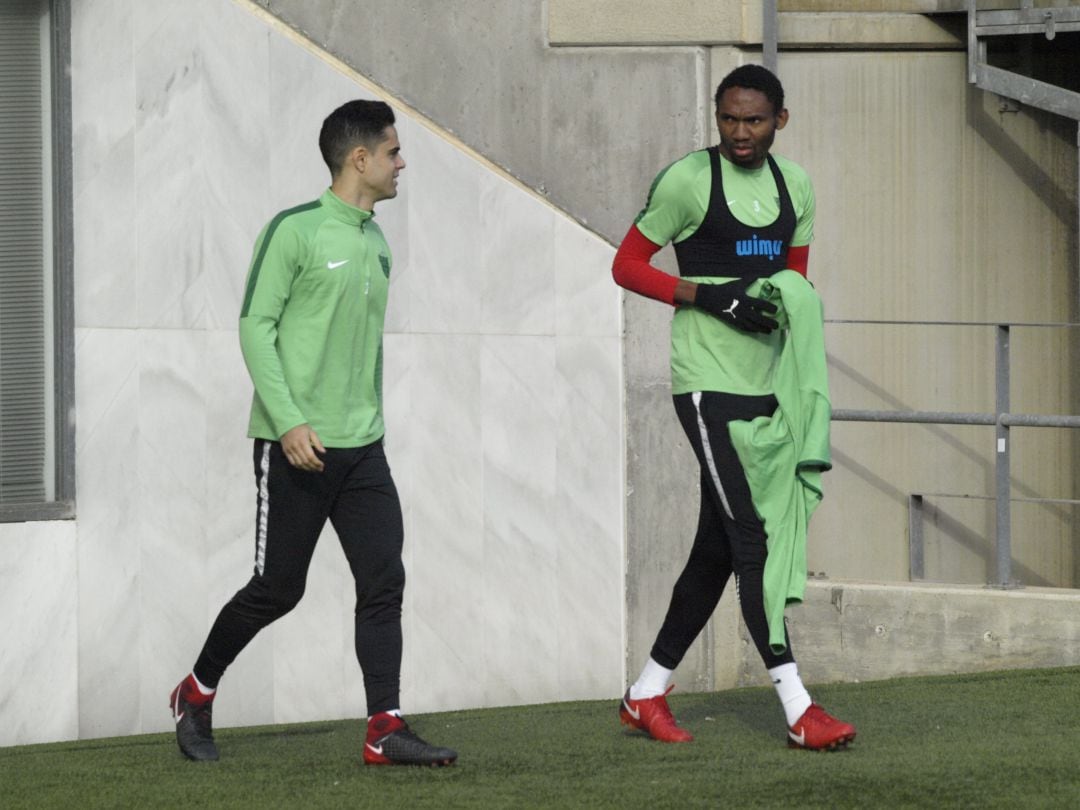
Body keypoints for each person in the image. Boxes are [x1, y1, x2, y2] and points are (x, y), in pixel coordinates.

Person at [169, 99, 457, 767]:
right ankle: (196, 691)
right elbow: (253, 326)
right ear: (360, 159)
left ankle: (384, 728)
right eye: (392, 150)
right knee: (278, 589)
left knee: (384, 579)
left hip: (364, 450)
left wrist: (368, 428)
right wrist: (288, 421)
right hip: (295, 447)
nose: (400, 162)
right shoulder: (294, 231)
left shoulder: (376, 241)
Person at [611, 64, 855, 751]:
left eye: (753, 120)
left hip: (763, 385)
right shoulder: (688, 180)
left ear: (781, 119)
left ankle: (646, 692)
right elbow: (626, 265)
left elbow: (794, 290)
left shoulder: (795, 186)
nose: (739, 133)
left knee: (715, 550)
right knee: (753, 539)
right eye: (728, 119)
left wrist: (773, 320)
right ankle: (800, 709)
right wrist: (709, 296)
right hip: (705, 385)